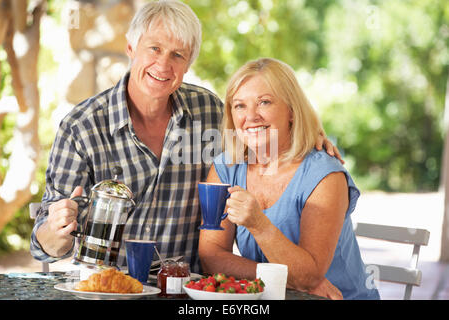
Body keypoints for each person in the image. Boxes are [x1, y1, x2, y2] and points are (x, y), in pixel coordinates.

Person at [30, 1, 339, 274]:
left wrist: (309, 135)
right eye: (154, 48)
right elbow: (44, 247)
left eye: (177, 54)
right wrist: (57, 230)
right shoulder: (81, 128)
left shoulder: (208, 112)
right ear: (130, 48)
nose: (164, 64)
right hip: (108, 287)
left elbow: (258, 131)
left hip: (184, 290)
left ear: (189, 63)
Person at [198, 57, 380, 300]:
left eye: (264, 102)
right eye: (239, 105)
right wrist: (282, 279)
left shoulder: (324, 175)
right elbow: (211, 257)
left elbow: (307, 278)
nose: (251, 116)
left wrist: (258, 224)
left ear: (292, 111)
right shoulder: (226, 167)